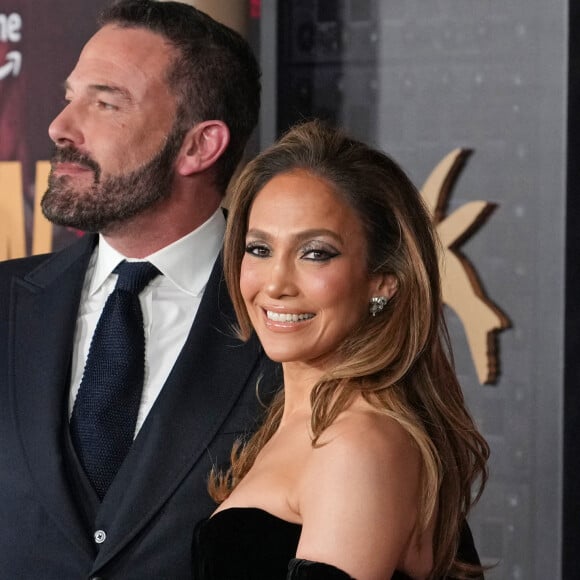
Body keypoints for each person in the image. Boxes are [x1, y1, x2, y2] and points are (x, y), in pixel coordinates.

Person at [0, 1, 279, 578]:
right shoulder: (5, 301)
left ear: (199, 146)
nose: (59, 127)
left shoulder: (296, 319)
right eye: (69, 96)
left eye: (104, 103)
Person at [192, 120, 490, 579]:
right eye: (259, 248)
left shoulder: (357, 442)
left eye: (315, 253)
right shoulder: (299, 419)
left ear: (383, 280)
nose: (275, 283)